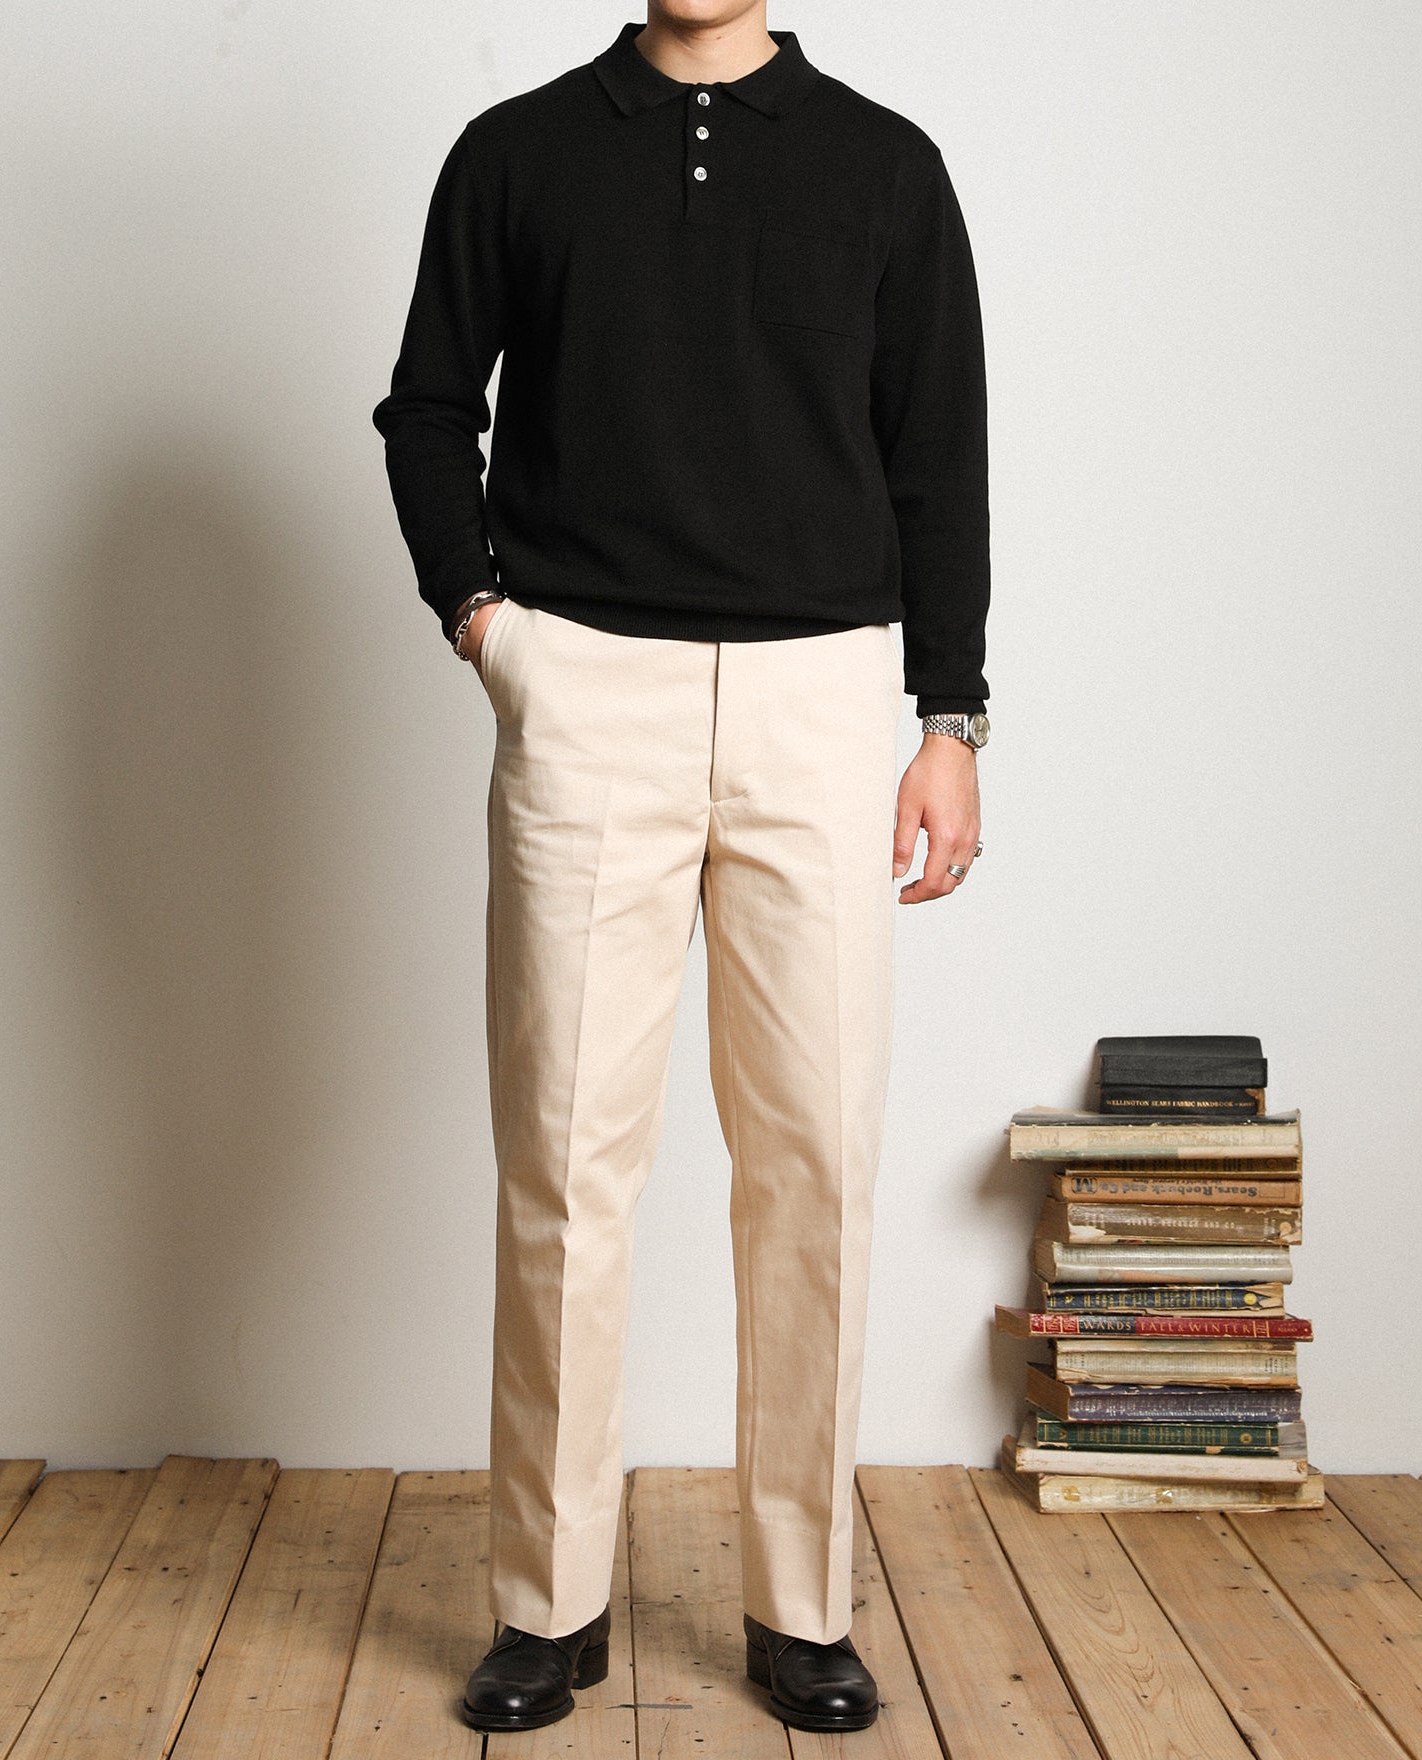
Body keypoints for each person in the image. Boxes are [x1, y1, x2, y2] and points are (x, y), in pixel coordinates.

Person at [371, 0, 989, 1736]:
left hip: (818, 699)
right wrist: (487, 623)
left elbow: (940, 452)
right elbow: (427, 410)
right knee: (567, 1166)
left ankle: (802, 1609)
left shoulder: (886, 167)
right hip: (588, 694)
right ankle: (546, 1604)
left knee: (817, 1164)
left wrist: (951, 717)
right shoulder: (516, 155)